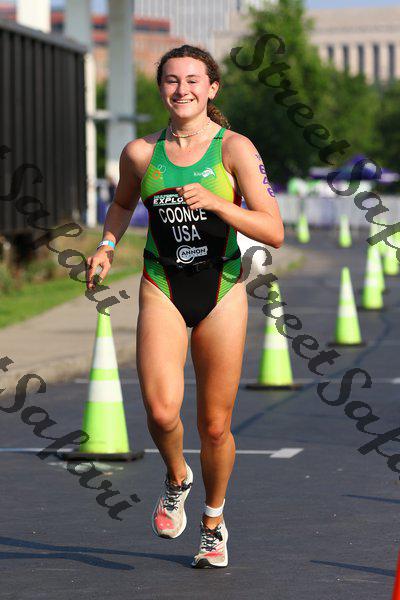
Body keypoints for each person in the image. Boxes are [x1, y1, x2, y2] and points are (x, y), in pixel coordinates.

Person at [86, 44, 284, 569]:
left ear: (211, 88)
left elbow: (274, 229)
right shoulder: (140, 153)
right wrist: (106, 246)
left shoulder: (235, 149)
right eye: (172, 80)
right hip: (162, 285)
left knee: (215, 426)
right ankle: (177, 476)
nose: (183, 89)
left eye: (193, 80)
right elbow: (123, 203)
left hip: (221, 289)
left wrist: (219, 203)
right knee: (160, 411)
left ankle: (213, 523)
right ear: (161, 89)